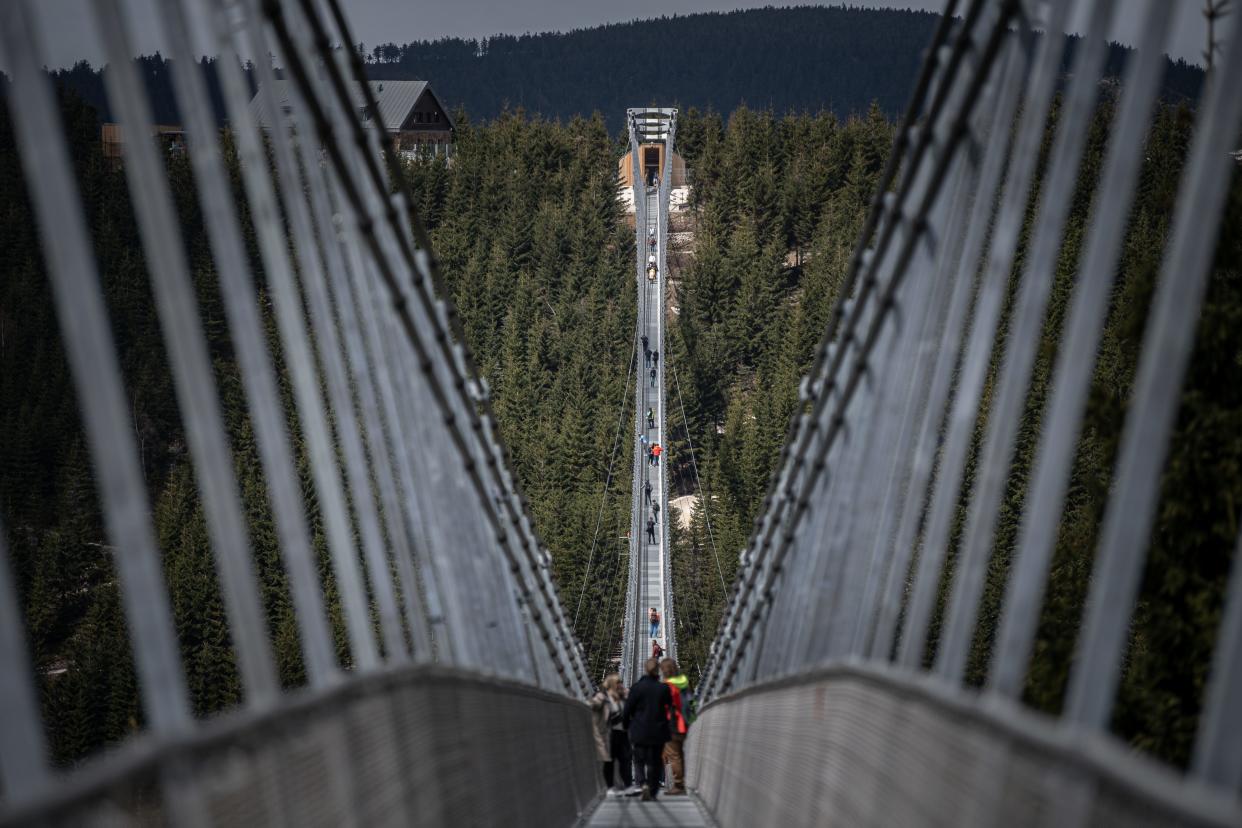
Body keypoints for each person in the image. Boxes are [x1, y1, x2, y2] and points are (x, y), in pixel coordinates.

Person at [623, 658, 672, 802]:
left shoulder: (637, 688)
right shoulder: (663, 689)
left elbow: (627, 710)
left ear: (645, 669)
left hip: (639, 730)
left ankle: (641, 783)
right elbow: (670, 708)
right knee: (655, 761)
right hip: (658, 731)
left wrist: (627, 726)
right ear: (658, 671)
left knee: (638, 760)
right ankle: (652, 788)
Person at [590, 675, 632, 796]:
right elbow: (593, 705)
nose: (621, 685)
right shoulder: (603, 697)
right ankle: (610, 787)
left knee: (625, 760)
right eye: (618, 682)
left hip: (622, 733)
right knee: (609, 761)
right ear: (612, 684)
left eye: (621, 682)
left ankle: (628, 786)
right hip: (609, 734)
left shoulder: (623, 696)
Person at [660, 658, 691, 795]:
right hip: (684, 724)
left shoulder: (666, 686)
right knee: (680, 754)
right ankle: (683, 782)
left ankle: (678, 785)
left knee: (674, 756)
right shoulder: (684, 683)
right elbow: (692, 702)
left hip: (671, 724)